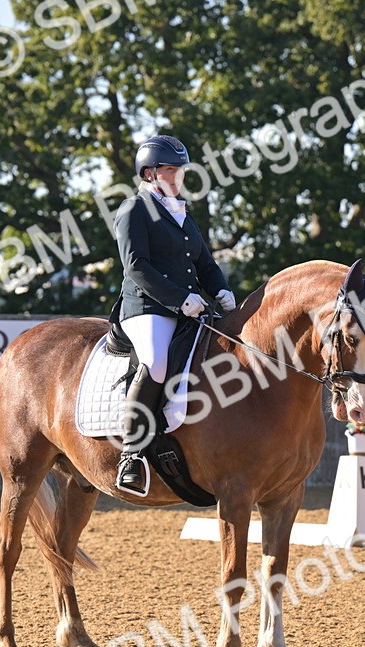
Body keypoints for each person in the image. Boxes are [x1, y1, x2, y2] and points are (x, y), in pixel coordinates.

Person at [111, 134, 236, 494]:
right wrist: (181, 299)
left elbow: (204, 263)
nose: (178, 176)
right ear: (149, 173)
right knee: (156, 362)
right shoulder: (134, 209)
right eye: (170, 169)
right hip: (147, 308)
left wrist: (222, 290)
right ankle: (131, 454)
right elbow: (137, 267)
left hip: (190, 307)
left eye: (180, 169)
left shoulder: (182, 212)